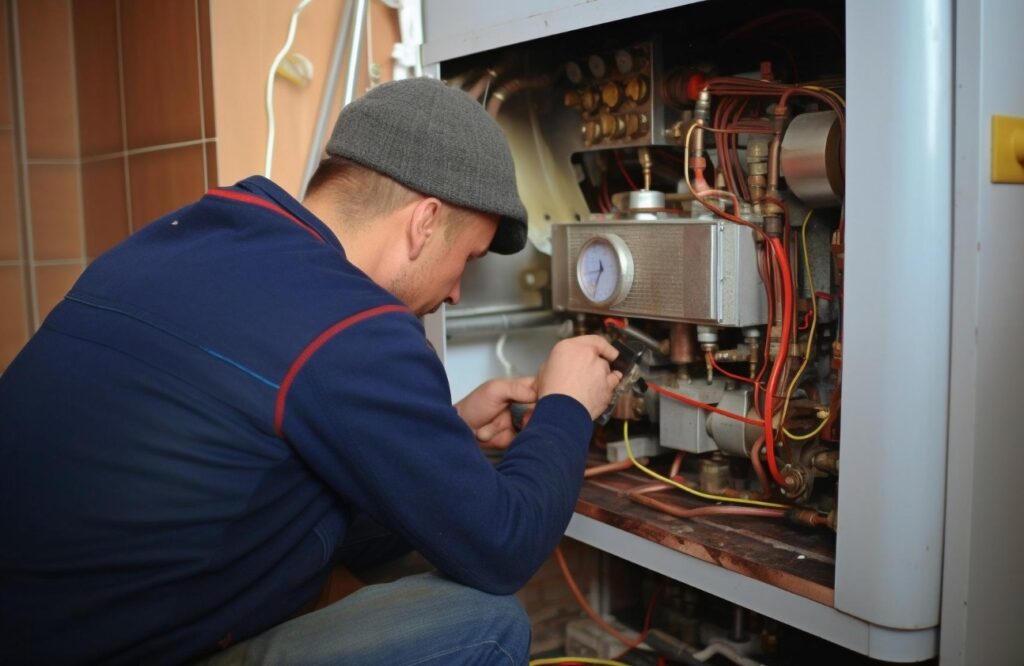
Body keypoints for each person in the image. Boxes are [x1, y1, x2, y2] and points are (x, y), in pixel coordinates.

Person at [0, 78, 620, 664]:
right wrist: (567, 403)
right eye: (467, 259)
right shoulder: (354, 327)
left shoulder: (186, 237)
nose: (457, 292)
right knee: (486, 625)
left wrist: (447, 434)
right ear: (424, 223)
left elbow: (294, 470)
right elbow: (500, 548)